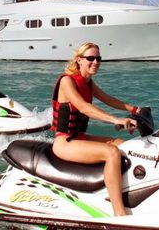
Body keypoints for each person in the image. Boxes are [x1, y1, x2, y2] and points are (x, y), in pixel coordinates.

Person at [51, 42, 139, 216]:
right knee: (111, 152)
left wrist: (134, 110)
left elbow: (107, 99)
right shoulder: (67, 81)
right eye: (90, 58)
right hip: (64, 142)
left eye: (98, 58)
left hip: (80, 137)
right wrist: (115, 119)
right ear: (79, 60)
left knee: (124, 145)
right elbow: (84, 107)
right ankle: (119, 214)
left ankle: (130, 195)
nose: (95, 62)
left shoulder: (88, 82)